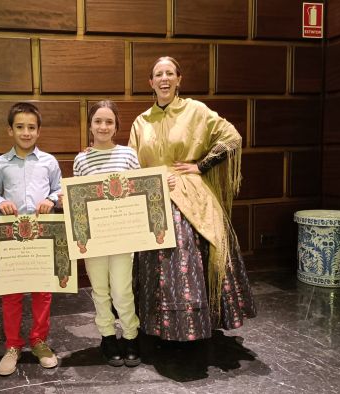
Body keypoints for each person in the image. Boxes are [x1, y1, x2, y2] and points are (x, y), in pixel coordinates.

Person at [128, 56, 256, 343]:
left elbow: (231, 137)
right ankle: (156, 326)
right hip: (153, 197)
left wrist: (201, 166)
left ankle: (196, 326)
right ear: (151, 82)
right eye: (158, 74)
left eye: (169, 73)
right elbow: (131, 163)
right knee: (154, 262)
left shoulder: (195, 110)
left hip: (190, 194)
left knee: (189, 255)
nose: (164, 78)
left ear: (178, 79)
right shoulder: (141, 121)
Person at [0, 102, 62, 376]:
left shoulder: (49, 162)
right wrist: (0, 201)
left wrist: (51, 200)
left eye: (31, 127)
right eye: (20, 127)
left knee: (43, 291)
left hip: (42, 236)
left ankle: (39, 341)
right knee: (12, 293)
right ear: (10, 130)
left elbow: (59, 190)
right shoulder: (1, 163)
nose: (26, 132)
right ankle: (13, 345)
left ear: (39, 131)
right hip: (11, 237)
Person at [72, 100, 142, 367]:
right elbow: (78, 199)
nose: (103, 126)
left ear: (116, 126)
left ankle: (131, 335)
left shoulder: (128, 155)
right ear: (90, 125)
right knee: (100, 290)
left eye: (109, 122)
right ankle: (108, 336)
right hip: (95, 239)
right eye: (98, 121)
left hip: (123, 236)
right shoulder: (81, 159)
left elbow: (137, 192)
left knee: (122, 290)